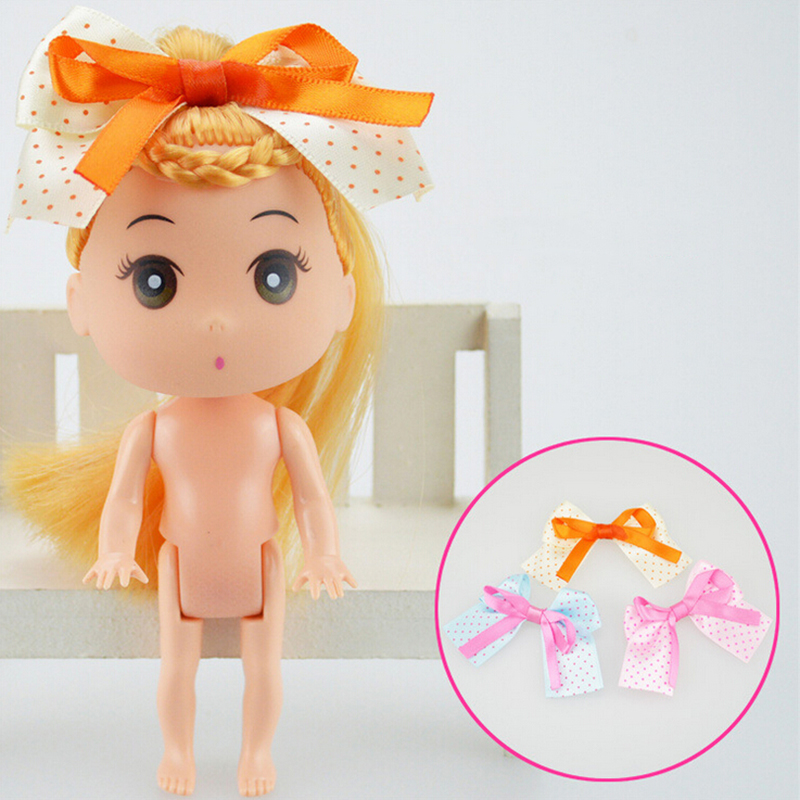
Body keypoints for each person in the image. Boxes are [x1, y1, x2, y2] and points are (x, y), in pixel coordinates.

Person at [5, 10, 432, 796]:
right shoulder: (154, 428)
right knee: (177, 667)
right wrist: (114, 549)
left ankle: (256, 755)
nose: (215, 322)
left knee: (264, 669)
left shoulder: (280, 425)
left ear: (341, 294)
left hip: (263, 564)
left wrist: (324, 553)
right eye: (154, 280)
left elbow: (311, 498)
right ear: (81, 302)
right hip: (176, 565)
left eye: (274, 275)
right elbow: (125, 497)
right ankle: (176, 753)